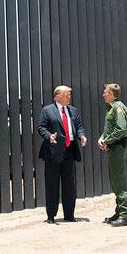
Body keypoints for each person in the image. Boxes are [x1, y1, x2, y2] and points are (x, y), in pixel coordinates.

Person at [37, 86, 87, 224]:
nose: (69, 97)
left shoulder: (73, 110)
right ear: (58, 96)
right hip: (53, 151)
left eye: (70, 94)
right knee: (52, 184)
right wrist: (49, 136)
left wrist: (82, 136)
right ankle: (51, 216)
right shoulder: (47, 110)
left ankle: (69, 215)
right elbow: (41, 127)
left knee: (69, 185)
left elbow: (79, 127)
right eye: (67, 95)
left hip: (70, 149)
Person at [97, 83, 127, 227]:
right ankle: (119, 212)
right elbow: (110, 128)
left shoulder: (118, 108)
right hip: (113, 147)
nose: (103, 94)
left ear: (111, 93)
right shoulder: (111, 108)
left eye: (105, 92)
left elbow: (121, 129)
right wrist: (102, 138)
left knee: (118, 180)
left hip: (117, 147)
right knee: (114, 180)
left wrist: (107, 140)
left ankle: (125, 215)